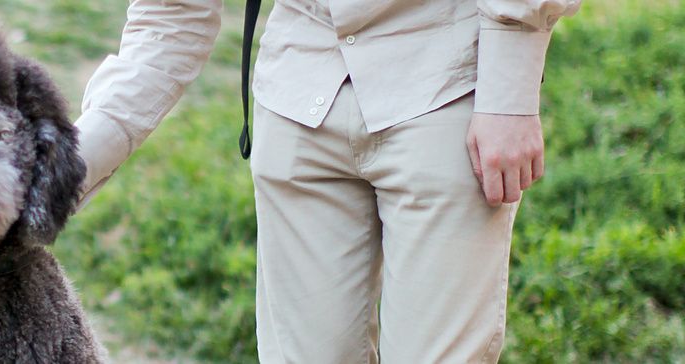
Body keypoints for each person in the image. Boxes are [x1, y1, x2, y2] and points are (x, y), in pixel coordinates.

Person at [74, 0, 581, 362]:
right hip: (298, 92)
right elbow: (173, 13)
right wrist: (66, 167)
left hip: (445, 86)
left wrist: (509, 90)